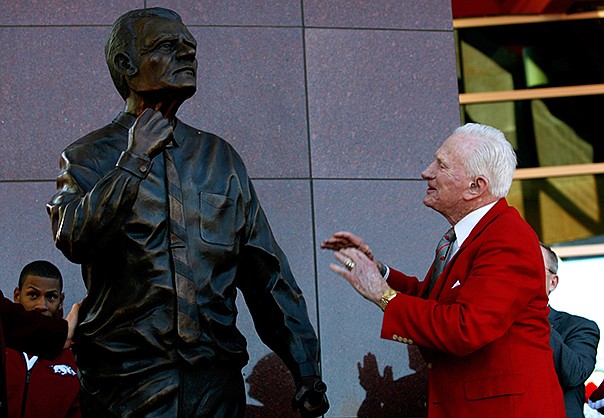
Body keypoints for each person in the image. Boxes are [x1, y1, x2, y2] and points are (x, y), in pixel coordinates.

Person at [46, 7, 328, 418]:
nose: (187, 54)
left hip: (215, 383)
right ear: (126, 64)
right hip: (125, 384)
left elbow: (268, 274)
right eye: (167, 46)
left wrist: (305, 368)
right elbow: (72, 237)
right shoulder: (87, 156)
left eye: (190, 47)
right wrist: (133, 160)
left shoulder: (220, 160)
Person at [322, 123, 566, 417]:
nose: (427, 172)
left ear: (476, 186)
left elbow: (466, 328)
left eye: (442, 165)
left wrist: (382, 295)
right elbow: (433, 301)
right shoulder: (477, 234)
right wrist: (378, 271)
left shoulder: (507, 238)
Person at [6, 260, 81, 418]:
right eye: (33, 295)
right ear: (17, 296)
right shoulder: (4, 345)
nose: (42, 305)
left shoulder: (78, 358)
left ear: (61, 301)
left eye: (51, 297)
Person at [541, 243, 600, 418]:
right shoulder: (494, 325)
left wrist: (532, 313)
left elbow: (573, 374)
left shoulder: (579, 327)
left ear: (553, 282)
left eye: (533, 266)